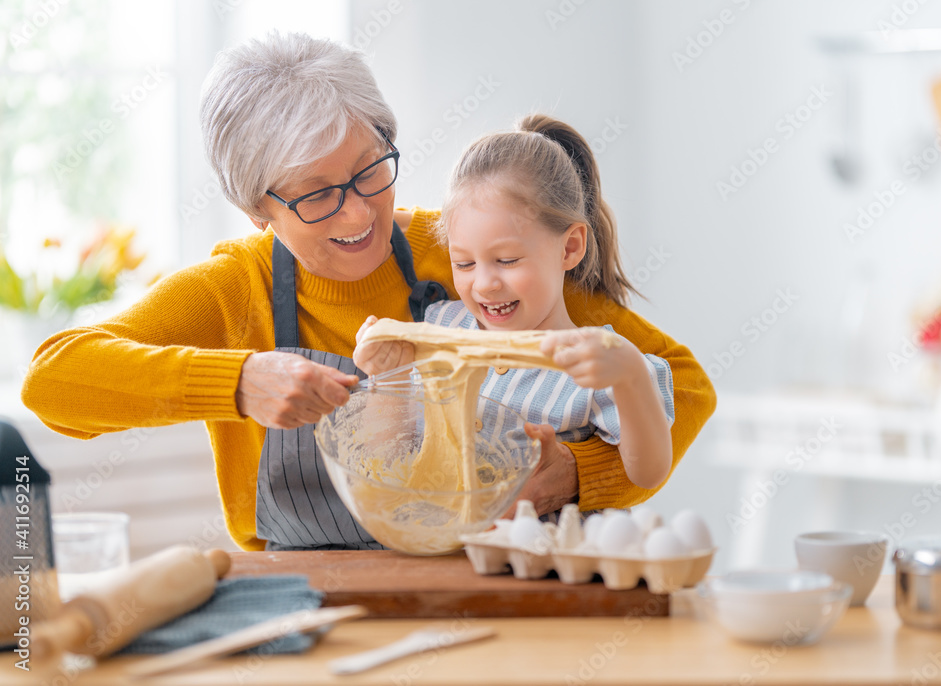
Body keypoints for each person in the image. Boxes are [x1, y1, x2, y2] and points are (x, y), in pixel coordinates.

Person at [20, 32, 716, 552]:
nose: (358, 215)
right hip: (305, 599)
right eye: (317, 196)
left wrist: (578, 475)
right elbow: (53, 382)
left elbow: (680, 386)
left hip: (492, 573)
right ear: (257, 210)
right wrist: (237, 383)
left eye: (368, 172)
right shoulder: (236, 289)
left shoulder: (469, 253)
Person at [355, 115, 674, 490]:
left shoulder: (600, 364)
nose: (485, 284)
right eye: (465, 263)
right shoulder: (436, 328)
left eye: (507, 260)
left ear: (570, 247)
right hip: (435, 545)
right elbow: (381, 466)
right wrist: (385, 378)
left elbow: (647, 474)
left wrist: (631, 377)